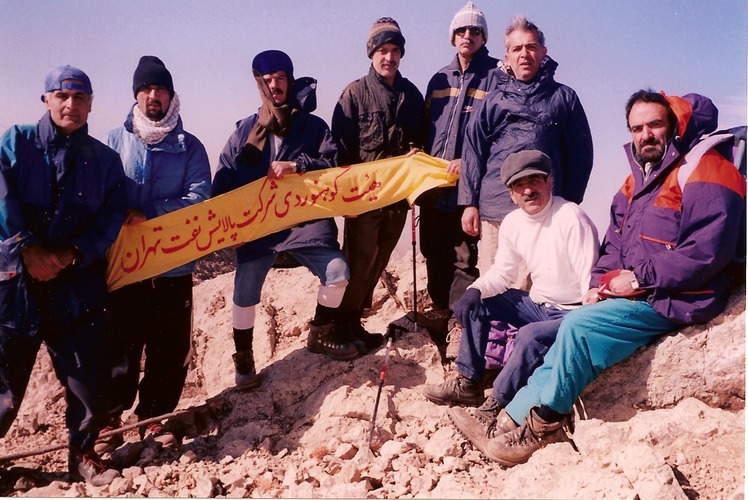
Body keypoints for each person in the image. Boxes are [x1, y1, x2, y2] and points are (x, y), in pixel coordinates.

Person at [467, 91, 745, 467]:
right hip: (643, 294)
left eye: (655, 125)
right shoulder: (636, 184)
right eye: (637, 128)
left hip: (677, 297)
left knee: (579, 328)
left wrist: (640, 278)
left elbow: (707, 252)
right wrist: (599, 285)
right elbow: (612, 246)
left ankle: (544, 423)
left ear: (673, 127)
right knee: (570, 331)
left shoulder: (707, 168)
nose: (645, 135)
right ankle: (511, 418)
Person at [0, 66, 127, 482]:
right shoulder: (14, 143)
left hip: (76, 281)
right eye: (62, 96)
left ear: (91, 104)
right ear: (47, 100)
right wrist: (29, 250)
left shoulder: (105, 161)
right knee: (5, 375)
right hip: (18, 280)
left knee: (85, 372)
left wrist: (73, 254)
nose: (71, 105)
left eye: (80, 98)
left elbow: (110, 218)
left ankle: (84, 455)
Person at [422, 150, 599, 434]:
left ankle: (494, 406)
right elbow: (503, 273)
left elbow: (589, 281)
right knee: (479, 301)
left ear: (548, 182)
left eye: (534, 181)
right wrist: (475, 290)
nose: (528, 189)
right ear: (512, 194)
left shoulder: (570, 217)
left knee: (529, 336)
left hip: (574, 312)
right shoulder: (514, 223)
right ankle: (469, 381)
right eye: (519, 185)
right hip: (539, 305)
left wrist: (578, 322)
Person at [213, 50, 359, 375]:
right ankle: (244, 358)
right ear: (260, 86)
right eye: (268, 81)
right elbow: (223, 179)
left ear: (290, 81)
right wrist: (228, 231)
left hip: (304, 224)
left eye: (281, 79)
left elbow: (335, 166)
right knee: (244, 292)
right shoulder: (245, 131)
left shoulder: (312, 127)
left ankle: (320, 333)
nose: (275, 86)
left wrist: (298, 166)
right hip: (260, 229)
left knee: (338, 273)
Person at [95, 56, 211, 453]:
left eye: (160, 89)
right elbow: (97, 196)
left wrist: (151, 214)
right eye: (145, 89)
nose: (153, 96)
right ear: (136, 95)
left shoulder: (189, 147)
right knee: (120, 347)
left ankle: (153, 420)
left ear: (171, 95)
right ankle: (108, 423)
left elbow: (199, 199)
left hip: (173, 267)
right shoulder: (112, 142)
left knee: (169, 348)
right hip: (126, 269)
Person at [459, 15, 593, 275]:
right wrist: (469, 204)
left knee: (539, 288)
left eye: (531, 47)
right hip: (496, 210)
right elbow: (473, 152)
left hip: (545, 209)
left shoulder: (564, 98)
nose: (524, 54)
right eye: (516, 48)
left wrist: (568, 202)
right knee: (496, 285)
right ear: (506, 57)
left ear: (543, 51)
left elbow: (581, 155)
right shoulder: (492, 101)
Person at [332, 17, 427, 351]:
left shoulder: (412, 96)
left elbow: (420, 141)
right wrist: (348, 202)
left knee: (379, 258)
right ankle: (339, 325)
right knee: (358, 259)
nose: (389, 57)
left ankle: (354, 321)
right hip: (364, 199)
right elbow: (339, 154)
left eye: (394, 50)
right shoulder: (354, 94)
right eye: (382, 50)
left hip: (397, 200)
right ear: (372, 53)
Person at [417, 2, 499, 351]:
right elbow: (424, 127)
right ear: (453, 36)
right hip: (435, 188)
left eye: (475, 31)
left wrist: (468, 161)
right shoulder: (438, 79)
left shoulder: (497, 76)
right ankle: (439, 309)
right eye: (462, 31)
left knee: (464, 257)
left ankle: (459, 325)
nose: (468, 36)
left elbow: (499, 130)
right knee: (432, 250)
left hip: (470, 189)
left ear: (483, 37)